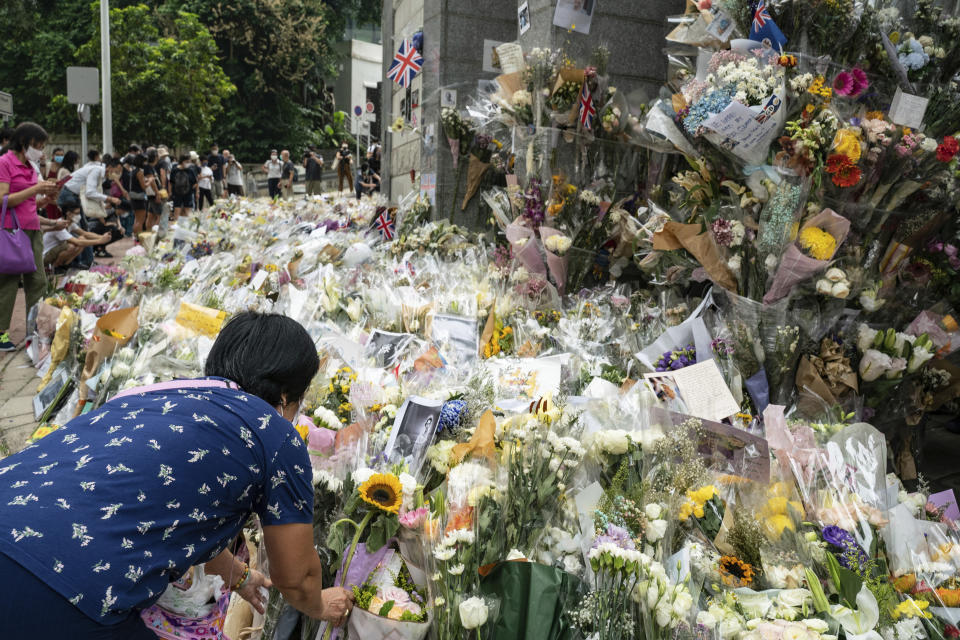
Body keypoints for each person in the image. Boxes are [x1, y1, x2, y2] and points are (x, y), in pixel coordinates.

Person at [0, 312, 356, 637]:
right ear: (285, 394)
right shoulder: (273, 431)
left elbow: (164, 507)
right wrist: (322, 605)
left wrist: (240, 575)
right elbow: (295, 579)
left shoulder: (146, 395)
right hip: (63, 589)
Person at [0, 122, 62, 352]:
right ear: (24, 142)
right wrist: (34, 190)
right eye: (38, 145)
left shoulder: (29, 166)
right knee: (7, 282)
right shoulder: (5, 163)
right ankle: (1, 332)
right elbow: (3, 199)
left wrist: (43, 199)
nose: (41, 150)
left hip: (32, 228)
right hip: (11, 230)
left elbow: (27, 201)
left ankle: (34, 331)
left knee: (37, 281)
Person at [42, 204, 112, 270]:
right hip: (45, 256)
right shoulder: (60, 225)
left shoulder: (71, 223)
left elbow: (85, 234)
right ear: (68, 213)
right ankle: (56, 267)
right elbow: (77, 242)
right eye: (76, 213)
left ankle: (66, 265)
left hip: (54, 252)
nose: (79, 216)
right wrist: (100, 241)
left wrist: (102, 237)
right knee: (71, 246)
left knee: (82, 238)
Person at [124, 152, 148, 234]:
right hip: (140, 198)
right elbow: (144, 186)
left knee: (136, 219)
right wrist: (150, 181)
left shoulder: (133, 171)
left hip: (133, 198)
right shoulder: (139, 172)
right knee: (140, 220)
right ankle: (139, 238)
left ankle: (135, 238)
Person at [170, 154, 198, 218]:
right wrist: (171, 192)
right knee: (177, 212)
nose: (189, 163)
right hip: (177, 194)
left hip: (188, 194)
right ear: (182, 161)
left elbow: (195, 182)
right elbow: (171, 182)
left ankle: (187, 226)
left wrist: (190, 189)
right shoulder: (174, 170)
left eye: (189, 162)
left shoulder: (190, 170)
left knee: (188, 213)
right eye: (187, 162)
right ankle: (176, 226)